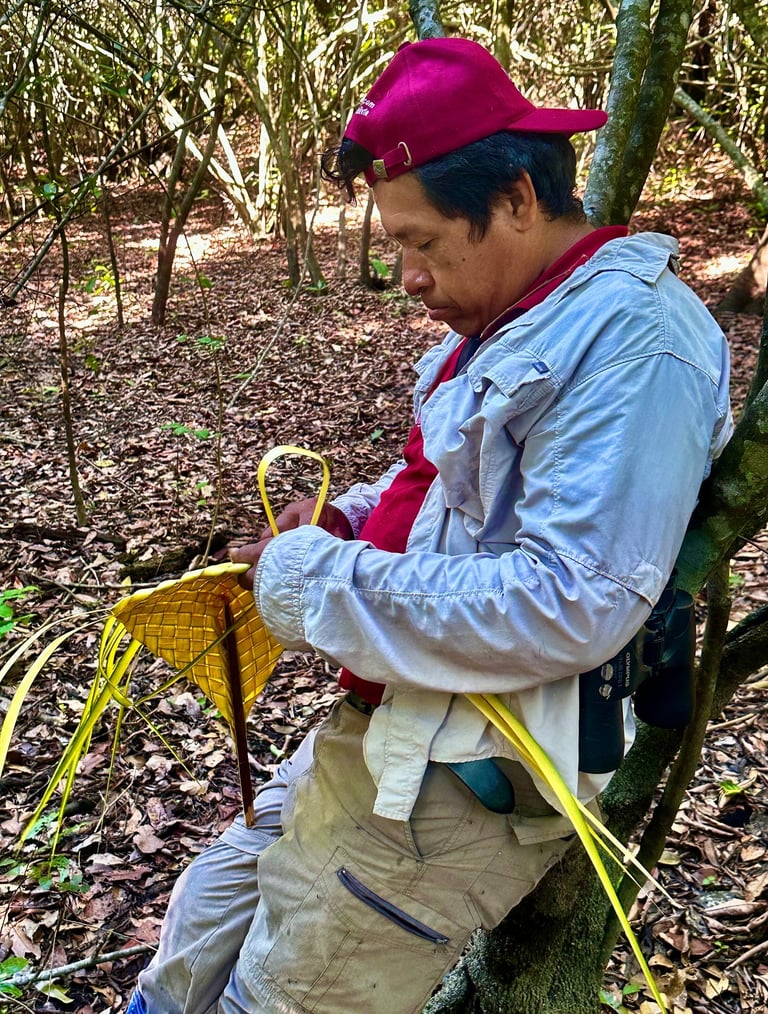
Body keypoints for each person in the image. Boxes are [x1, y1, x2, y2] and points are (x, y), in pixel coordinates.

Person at [127, 36, 732, 1014]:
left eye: (421, 242)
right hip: (391, 728)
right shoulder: (519, 312)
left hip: (454, 781)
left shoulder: (632, 342)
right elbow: (455, 484)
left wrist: (314, 580)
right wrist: (348, 517)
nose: (407, 276)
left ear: (518, 200)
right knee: (200, 928)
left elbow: (572, 598)